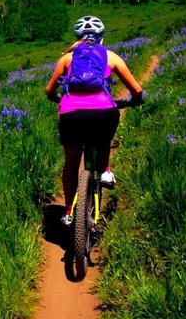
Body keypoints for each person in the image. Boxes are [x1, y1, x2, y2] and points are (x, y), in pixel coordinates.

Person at [44, 15, 144, 226]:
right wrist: (132, 101)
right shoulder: (111, 57)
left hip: (71, 115)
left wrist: (59, 100)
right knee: (104, 136)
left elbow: (49, 90)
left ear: (78, 37)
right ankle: (105, 171)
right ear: (100, 37)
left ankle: (69, 212)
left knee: (71, 162)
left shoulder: (67, 59)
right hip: (103, 113)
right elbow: (137, 90)